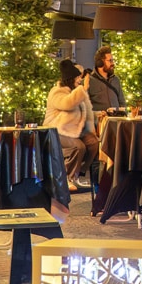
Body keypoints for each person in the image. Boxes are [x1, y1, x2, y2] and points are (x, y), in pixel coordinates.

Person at [46, 59, 99, 193]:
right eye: (78, 78)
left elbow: (84, 112)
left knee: (93, 143)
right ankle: (66, 178)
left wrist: (97, 117)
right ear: (70, 79)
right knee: (78, 147)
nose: (80, 80)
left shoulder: (75, 91)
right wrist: (84, 89)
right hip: (56, 130)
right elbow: (67, 104)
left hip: (74, 130)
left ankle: (78, 173)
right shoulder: (57, 92)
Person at [86, 46, 125, 117]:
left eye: (112, 60)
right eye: (110, 60)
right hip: (100, 124)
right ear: (100, 63)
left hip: (116, 123)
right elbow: (85, 107)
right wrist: (97, 114)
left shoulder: (116, 80)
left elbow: (122, 102)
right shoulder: (88, 81)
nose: (112, 63)